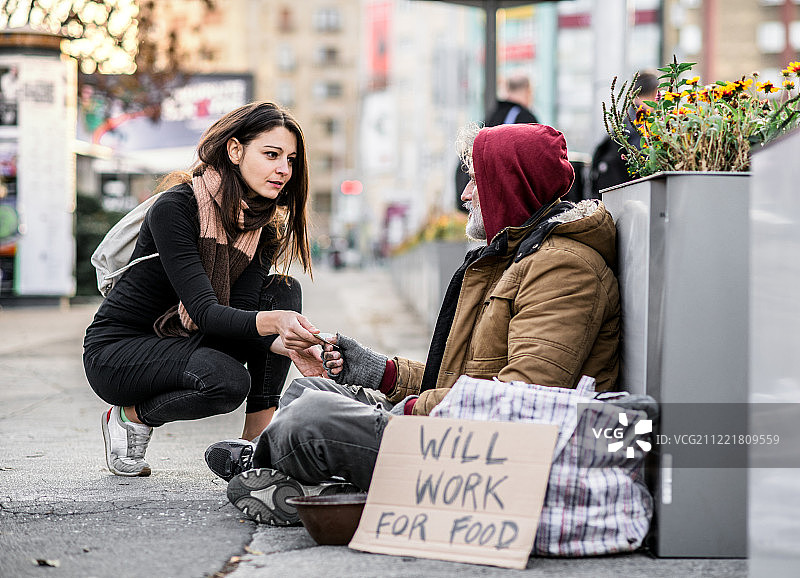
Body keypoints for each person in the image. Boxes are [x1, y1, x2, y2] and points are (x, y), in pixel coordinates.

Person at [208, 123, 621, 526]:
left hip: (489, 455)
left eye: (476, 180)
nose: (465, 194)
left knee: (309, 417)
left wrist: (406, 412)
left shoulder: (565, 268)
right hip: (461, 430)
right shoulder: (516, 258)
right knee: (308, 390)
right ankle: (313, 484)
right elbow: (460, 380)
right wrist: (378, 371)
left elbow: (520, 400)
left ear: (510, 184)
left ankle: (280, 470)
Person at [83, 101, 327, 478]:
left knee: (282, 290)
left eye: (291, 160)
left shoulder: (262, 228)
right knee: (227, 381)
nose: (284, 169)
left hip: (189, 340)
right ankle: (128, 417)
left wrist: (290, 342)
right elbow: (207, 313)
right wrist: (275, 324)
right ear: (234, 150)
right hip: (119, 351)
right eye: (272, 154)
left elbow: (242, 312)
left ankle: (255, 446)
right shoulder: (175, 208)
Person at [455, 74, 539, 211]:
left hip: (474, 198)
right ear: (529, 91)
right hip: (498, 204)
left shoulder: (495, 114)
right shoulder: (524, 118)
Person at [590, 70, 658, 196]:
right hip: (636, 196)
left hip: (613, 195)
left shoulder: (624, 120)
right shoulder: (648, 123)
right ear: (656, 93)